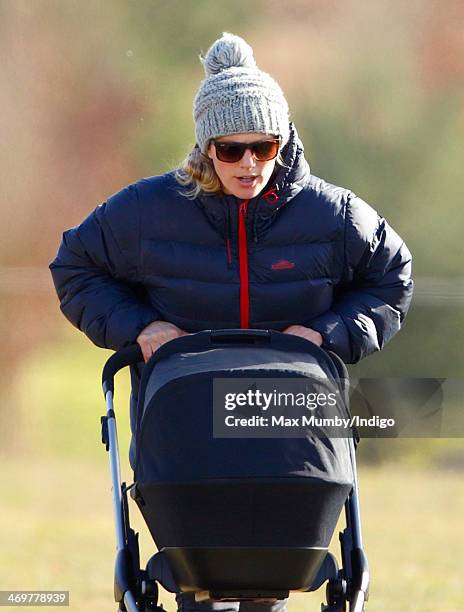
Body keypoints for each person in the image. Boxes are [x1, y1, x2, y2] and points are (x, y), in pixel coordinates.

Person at [50, 32, 413, 612]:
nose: (249, 164)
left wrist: (326, 334)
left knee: (271, 574)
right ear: (204, 148)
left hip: (289, 428)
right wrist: (141, 328)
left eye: (264, 148)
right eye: (231, 149)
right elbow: (75, 267)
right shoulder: (147, 212)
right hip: (185, 429)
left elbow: (391, 278)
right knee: (200, 582)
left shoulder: (334, 214)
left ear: (283, 141)